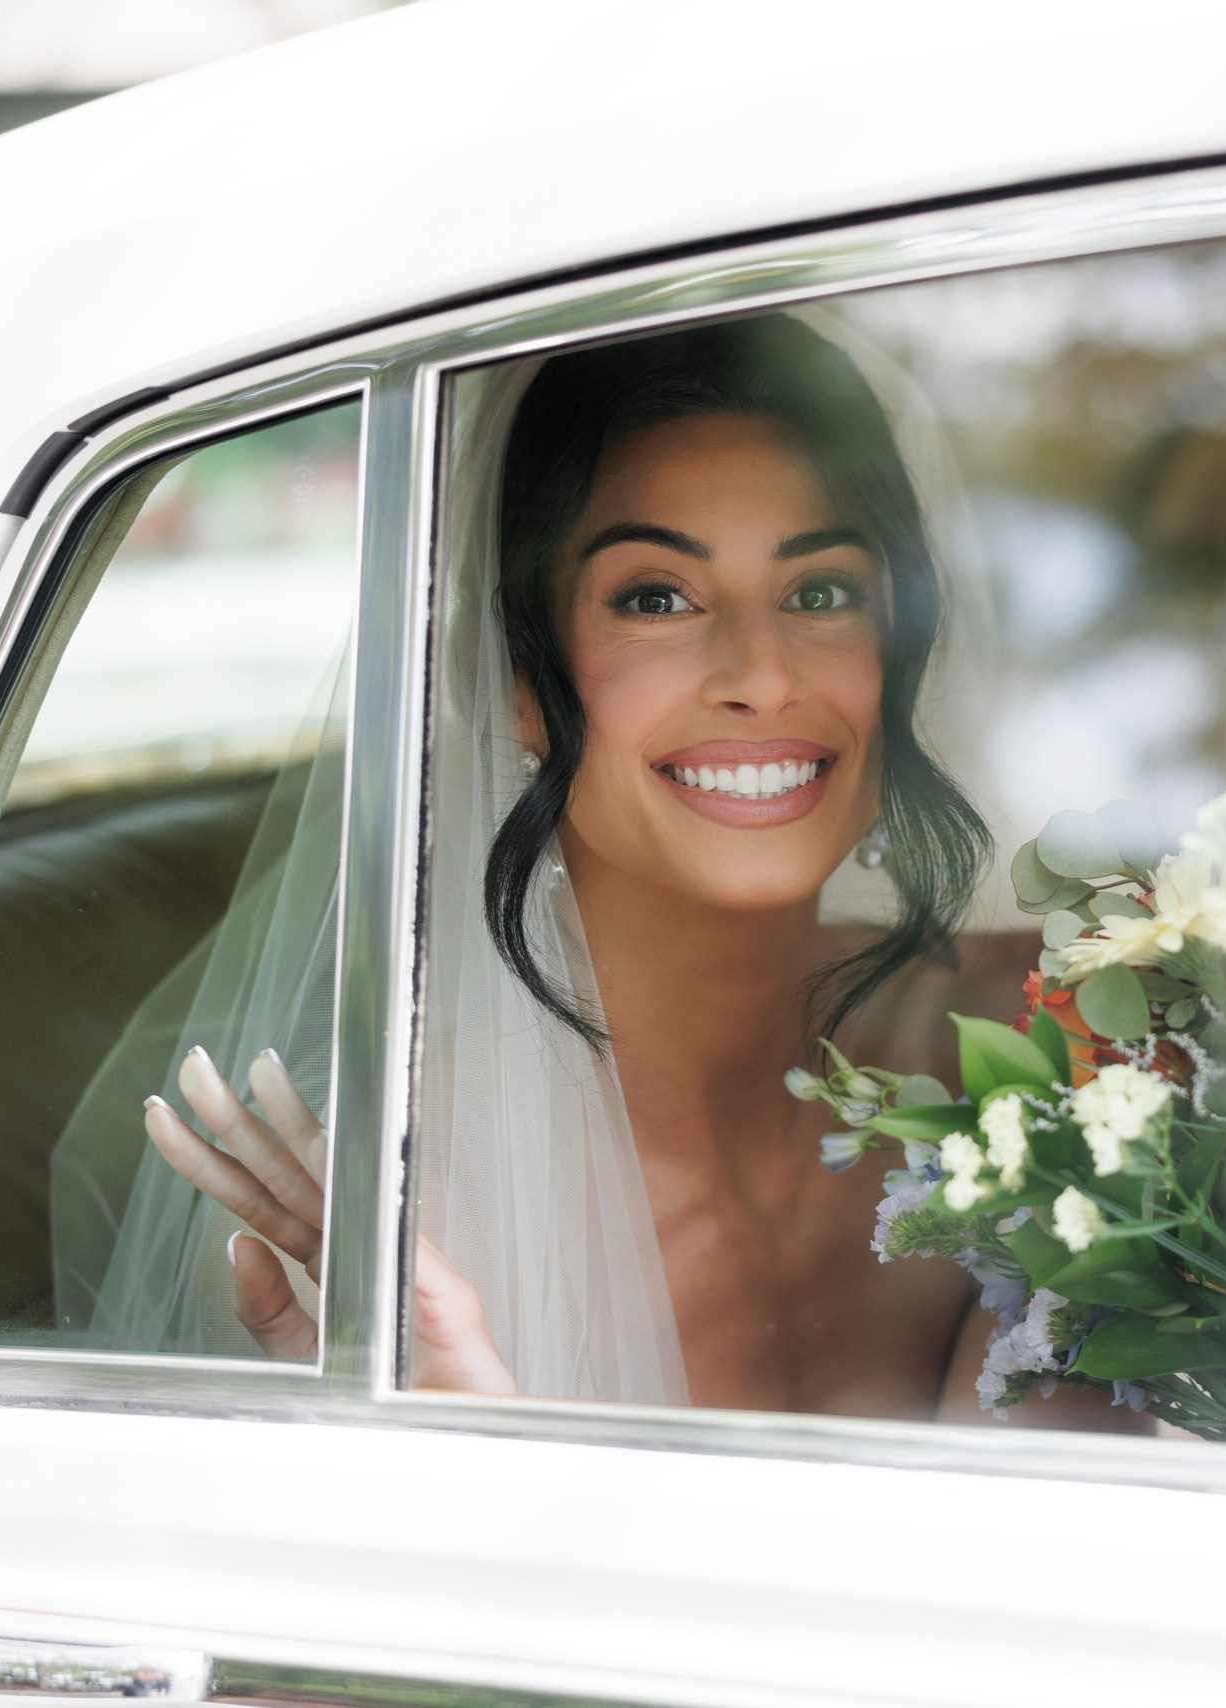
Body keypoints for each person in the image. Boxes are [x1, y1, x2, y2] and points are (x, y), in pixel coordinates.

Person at [136, 317, 1128, 1427]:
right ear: (515, 674)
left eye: (818, 592)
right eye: (656, 597)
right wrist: (468, 1440)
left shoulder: (1069, 1041)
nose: (762, 672)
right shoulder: (394, 1207)